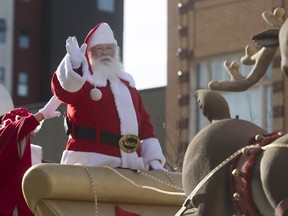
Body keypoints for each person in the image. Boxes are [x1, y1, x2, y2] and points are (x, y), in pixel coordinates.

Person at [51, 22, 166, 171]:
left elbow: (144, 124)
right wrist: (74, 67)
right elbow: (63, 92)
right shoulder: (82, 82)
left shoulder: (128, 87)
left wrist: (153, 158)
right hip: (89, 164)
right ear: (89, 53)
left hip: (131, 167)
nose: (105, 53)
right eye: (99, 49)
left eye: (109, 48)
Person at [0, 96, 61, 216]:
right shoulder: (6, 139)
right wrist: (42, 114)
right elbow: (17, 129)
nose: (33, 135)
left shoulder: (32, 155)